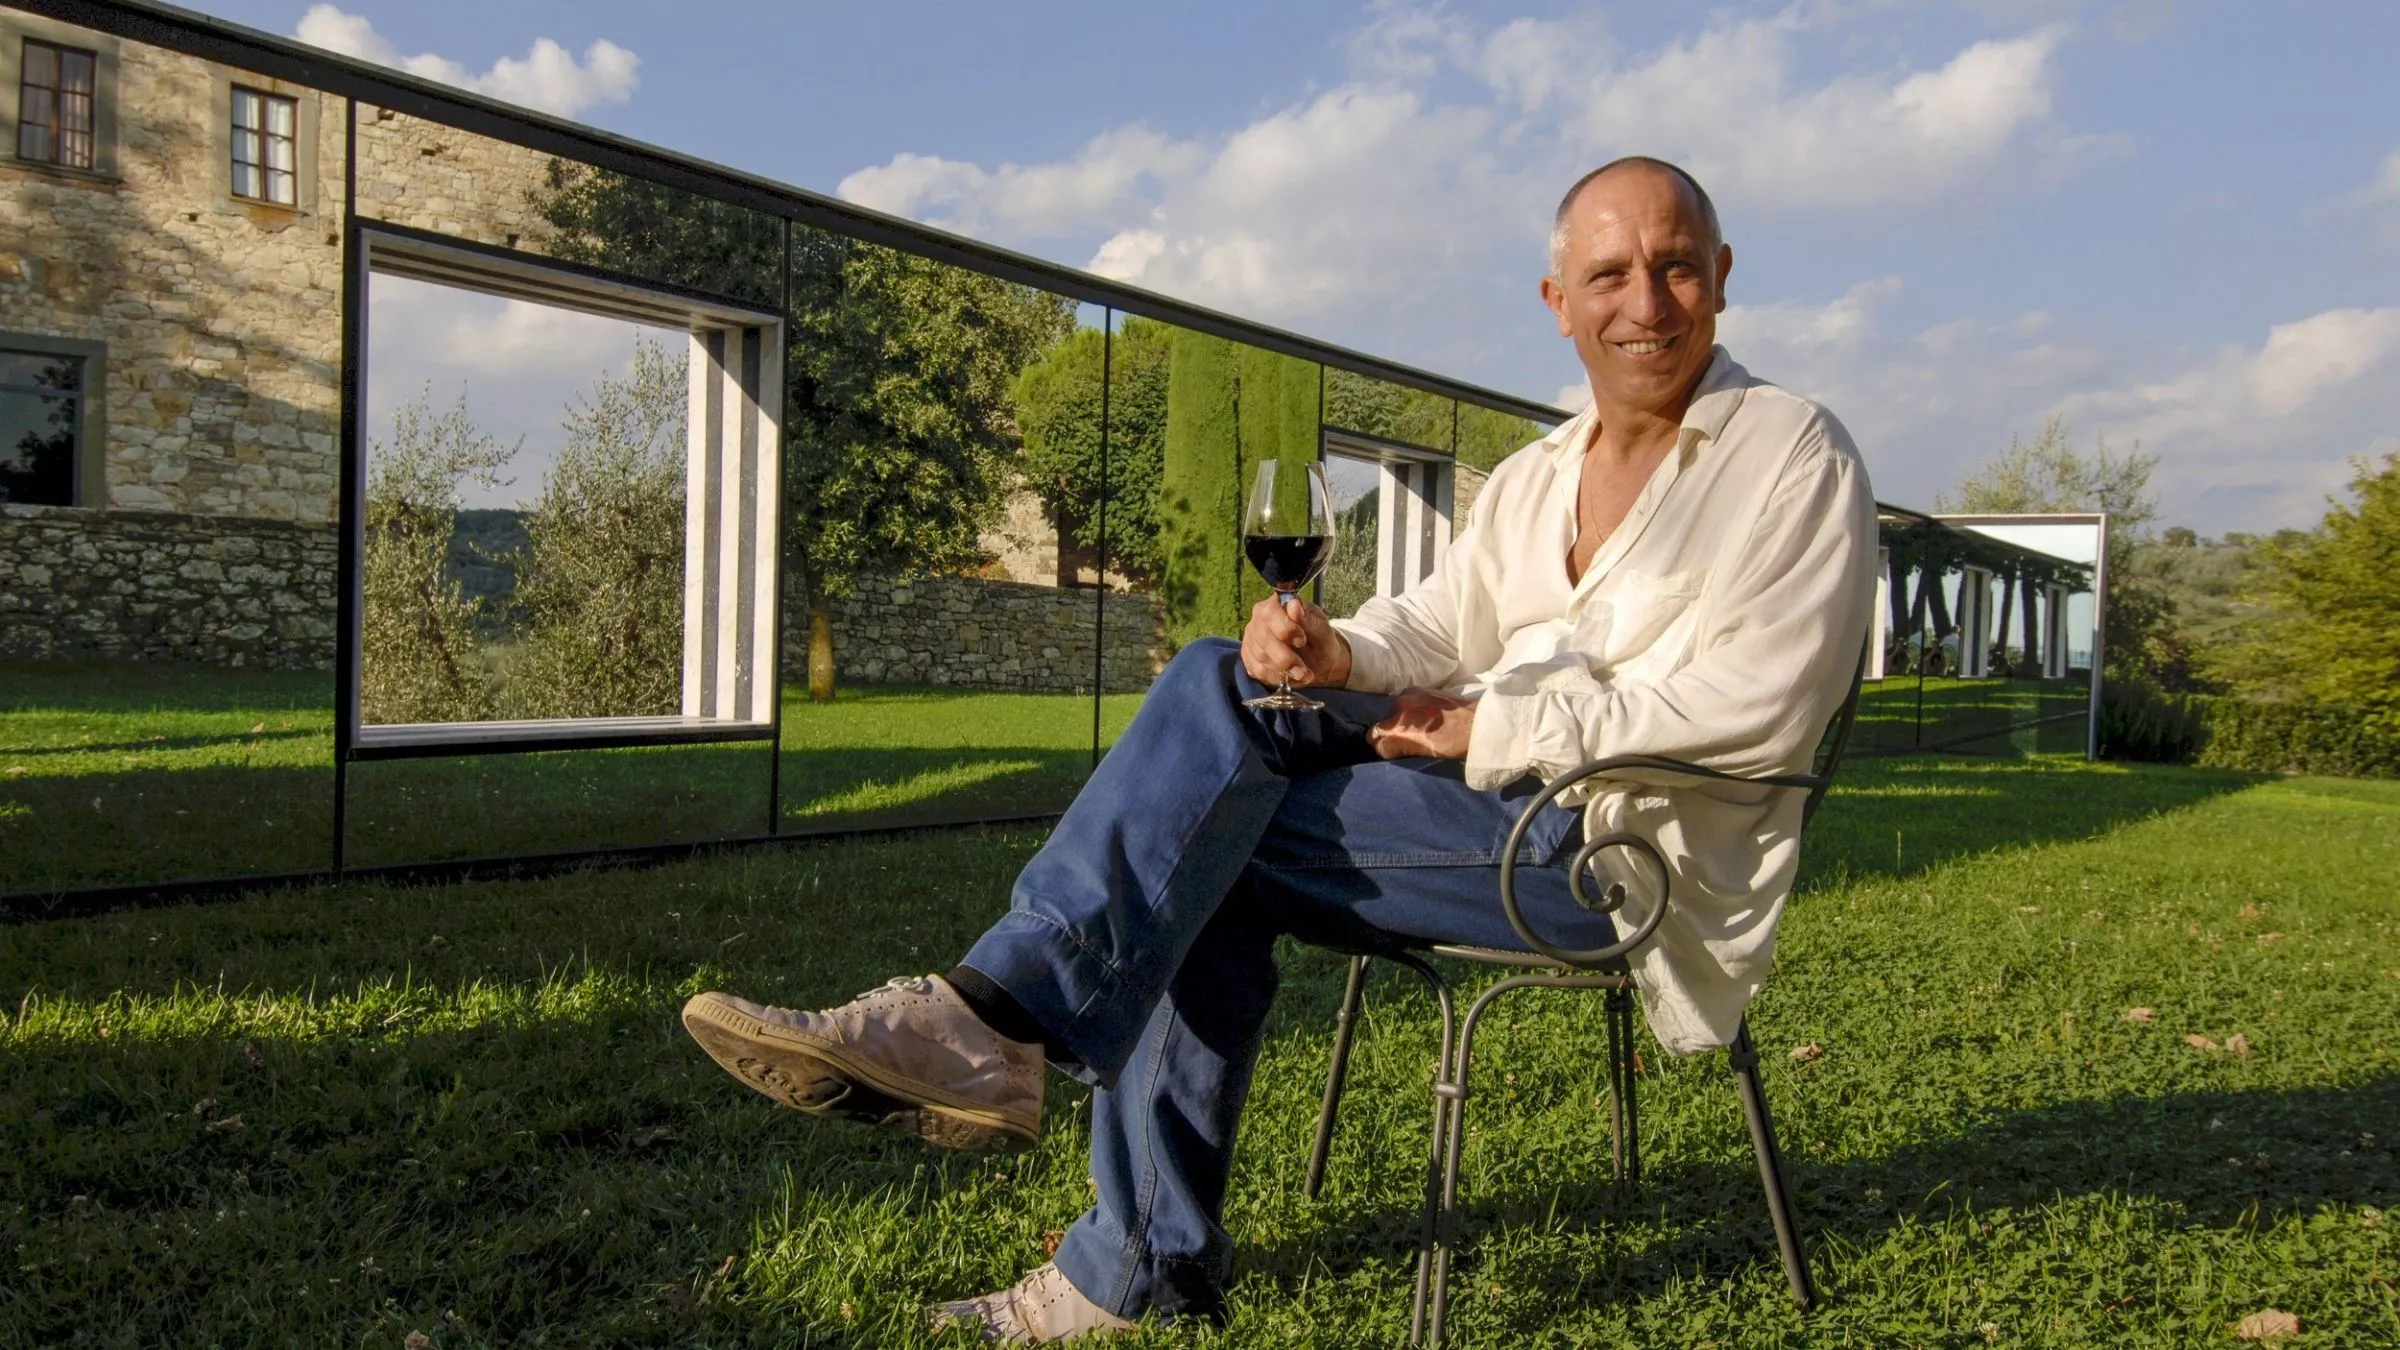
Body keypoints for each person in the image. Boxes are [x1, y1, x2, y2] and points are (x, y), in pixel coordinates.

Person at [681, 156, 1877, 1343]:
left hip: (1612, 847)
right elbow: (1435, 625)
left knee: (1204, 839)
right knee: (1224, 673)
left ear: (1720, 277)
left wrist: (1495, 724)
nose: (1647, 303)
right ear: (1559, 302)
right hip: (1470, 788)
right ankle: (1008, 1048)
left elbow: (1759, 704)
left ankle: (1034, 1095)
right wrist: (1334, 652)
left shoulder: (1792, 457)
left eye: (1675, 267)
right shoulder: (1535, 476)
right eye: (1610, 273)